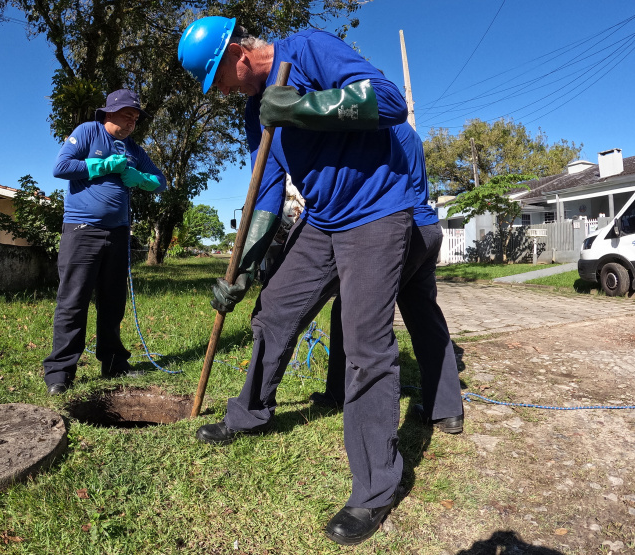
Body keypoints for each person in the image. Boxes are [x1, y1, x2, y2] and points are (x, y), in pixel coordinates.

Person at [178, 17, 416, 546]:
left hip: (376, 210)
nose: (223, 90)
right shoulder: (253, 114)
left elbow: (390, 101)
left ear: (238, 54)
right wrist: (240, 270)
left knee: (364, 343)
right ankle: (250, 413)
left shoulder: (308, 51)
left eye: (220, 78)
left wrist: (303, 108)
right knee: (275, 308)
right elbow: (265, 193)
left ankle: (375, 489)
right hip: (325, 220)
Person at [310, 122, 465, 435]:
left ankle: (340, 394)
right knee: (425, 318)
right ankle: (447, 410)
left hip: (402, 229)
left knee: (349, 308)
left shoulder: (376, 125)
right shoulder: (409, 132)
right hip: (428, 228)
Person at [42, 89, 167, 395]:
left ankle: (114, 363)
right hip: (82, 229)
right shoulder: (89, 132)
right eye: (128, 115)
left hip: (118, 233)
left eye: (136, 118)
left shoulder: (134, 149)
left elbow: (160, 181)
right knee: (73, 301)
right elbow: (61, 167)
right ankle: (60, 372)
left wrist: (139, 178)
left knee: (113, 302)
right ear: (110, 112)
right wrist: (103, 166)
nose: (132, 122)